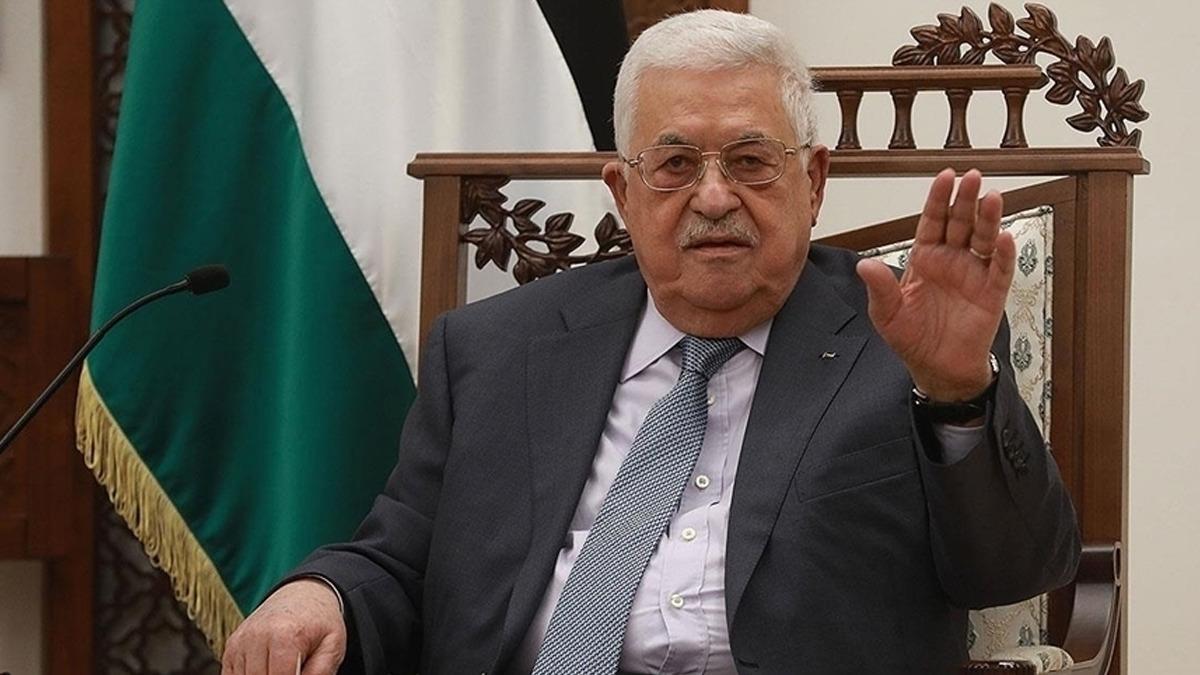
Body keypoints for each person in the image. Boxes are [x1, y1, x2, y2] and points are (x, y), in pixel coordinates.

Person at [221, 10, 1079, 675]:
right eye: (674, 165)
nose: (714, 197)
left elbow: (1014, 570)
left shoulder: (905, 341)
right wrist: (320, 594)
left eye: (751, 161)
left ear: (812, 181)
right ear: (622, 192)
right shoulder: (494, 349)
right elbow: (400, 555)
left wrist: (959, 393)